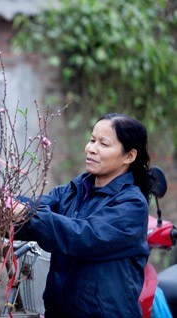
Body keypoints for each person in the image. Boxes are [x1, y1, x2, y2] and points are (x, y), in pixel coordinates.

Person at [14, 113, 151, 317]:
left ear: (129, 156)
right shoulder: (75, 190)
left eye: (103, 144)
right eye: (92, 140)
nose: (91, 149)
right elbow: (34, 209)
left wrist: (26, 213)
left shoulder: (131, 204)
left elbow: (83, 236)